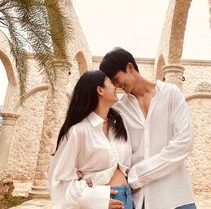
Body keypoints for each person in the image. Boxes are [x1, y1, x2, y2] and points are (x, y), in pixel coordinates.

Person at [99, 47, 196, 209]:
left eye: (116, 78)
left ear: (130, 67)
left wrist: (137, 175)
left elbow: (184, 143)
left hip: (176, 197)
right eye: (112, 82)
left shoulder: (171, 94)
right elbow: (112, 150)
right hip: (139, 201)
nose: (116, 85)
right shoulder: (119, 109)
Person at [47, 70, 133, 209]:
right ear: (100, 90)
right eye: (111, 82)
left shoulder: (119, 126)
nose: (115, 86)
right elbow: (58, 182)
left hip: (127, 198)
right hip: (103, 202)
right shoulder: (78, 131)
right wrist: (94, 199)